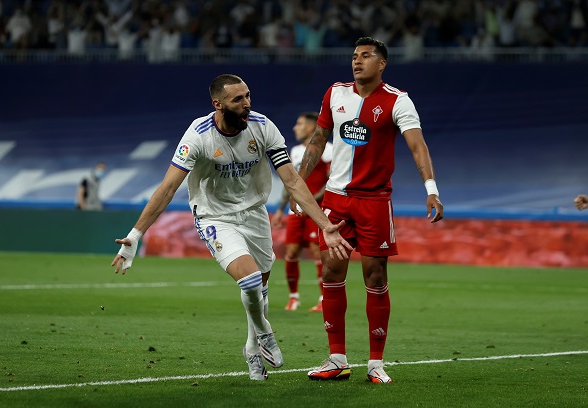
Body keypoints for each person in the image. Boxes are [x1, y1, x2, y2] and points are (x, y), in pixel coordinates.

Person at [110, 74, 352, 381]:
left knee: (260, 289)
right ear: (218, 104)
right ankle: (265, 333)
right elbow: (168, 188)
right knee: (250, 281)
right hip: (215, 217)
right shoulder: (199, 136)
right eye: (238, 99)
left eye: (248, 95)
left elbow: (292, 179)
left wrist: (326, 226)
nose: (247, 103)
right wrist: (134, 235)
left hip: (254, 214)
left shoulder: (263, 127)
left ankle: (252, 349)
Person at [291, 37, 444, 384]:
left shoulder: (398, 100)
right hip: (335, 200)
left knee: (375, 276)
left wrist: (431, 190)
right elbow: (318, 139)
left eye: (365, 56)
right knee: (331, 272)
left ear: (382, 63)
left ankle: (376, 362)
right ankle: (337, 358)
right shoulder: (335, 93)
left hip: (375, 201)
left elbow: (417, 146)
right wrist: (298, 185)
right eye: (354, 56)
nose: (357, 62)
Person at [271, 112, 333, 312]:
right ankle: (293, 298)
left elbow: (331, 181)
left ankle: (324, 299)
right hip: (295, 210)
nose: (295, 128)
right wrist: (280, 209)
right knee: (291, 252)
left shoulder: (328, 151)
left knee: (317, 252)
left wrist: (310, 200)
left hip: (318, 210)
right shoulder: (295, 151)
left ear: (311, 127)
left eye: (299, 124)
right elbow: (289, 182)